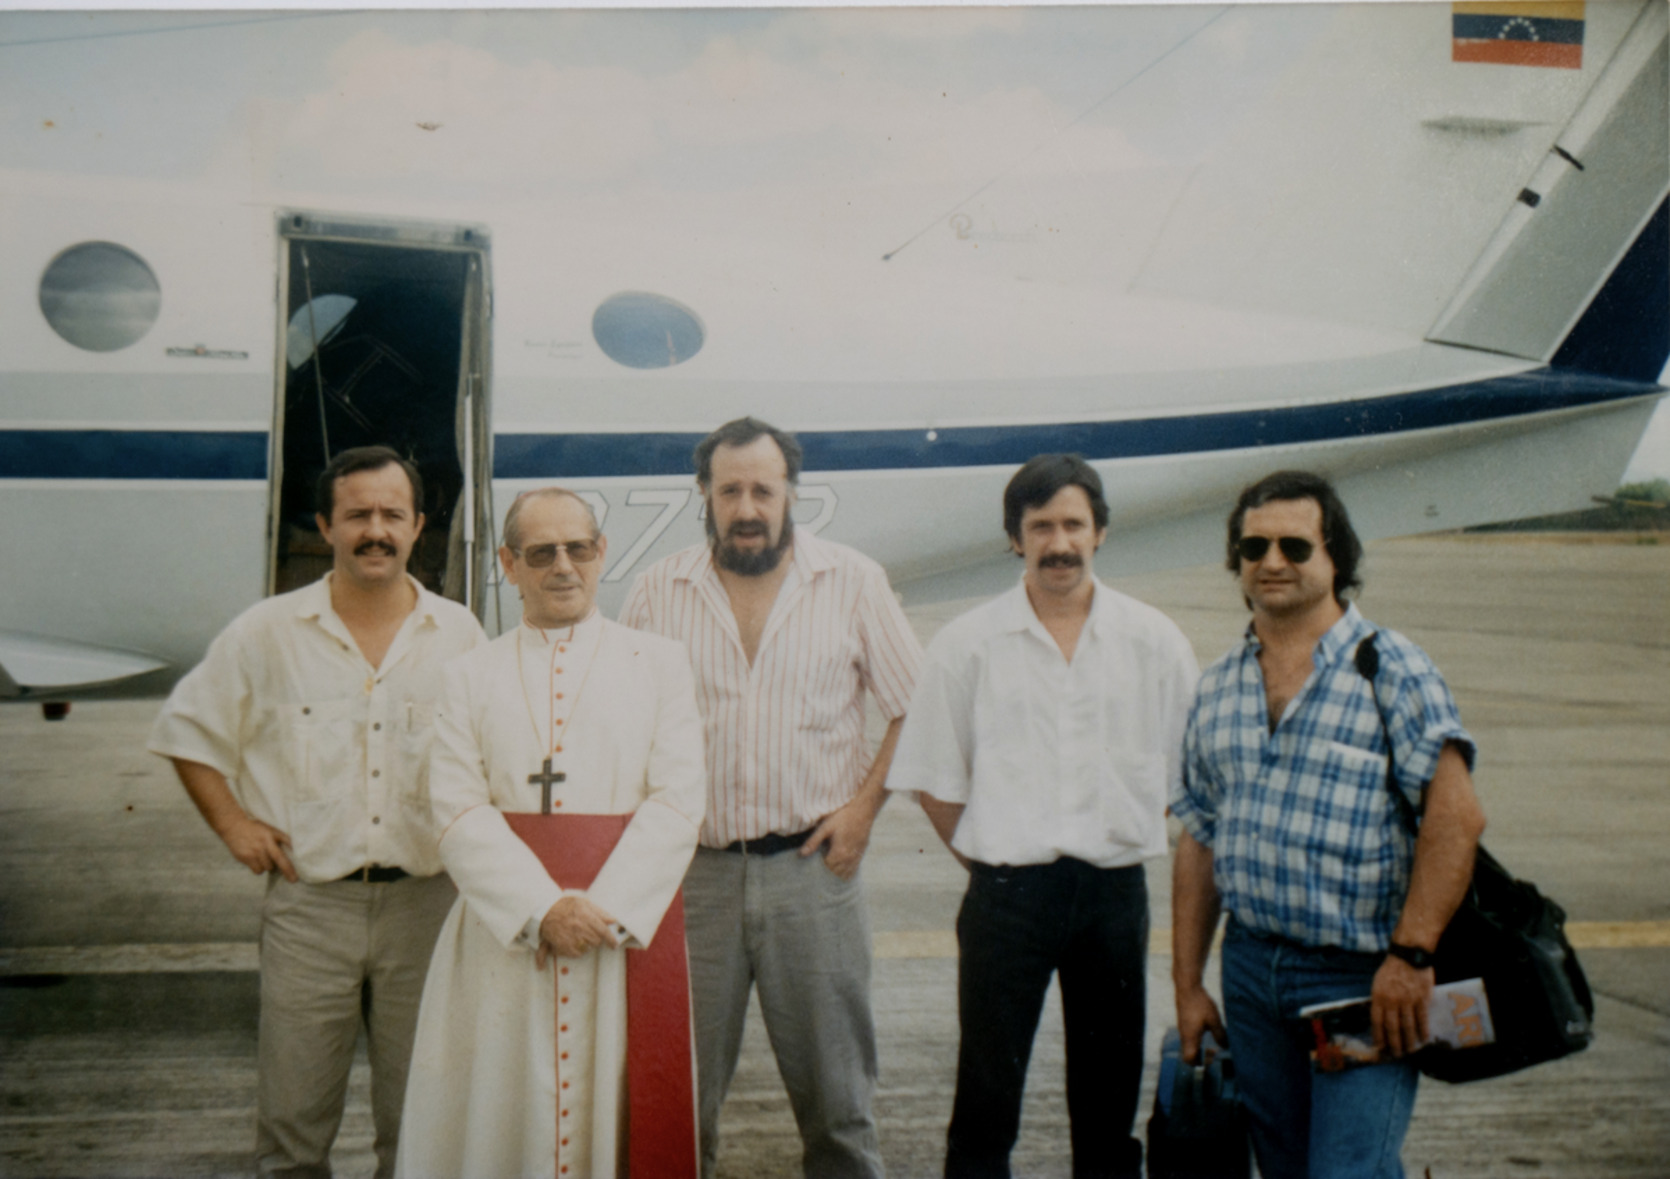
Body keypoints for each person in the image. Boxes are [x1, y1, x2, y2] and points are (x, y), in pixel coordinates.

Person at [147, 445, 487, 1179]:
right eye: (357, 514)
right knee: (292, 1130)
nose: (376, 530)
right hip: (310, 910)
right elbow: (188, 729)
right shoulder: (265, 631)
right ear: (325, 524)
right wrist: (234, 823)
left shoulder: (460, 636)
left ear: (419, 524)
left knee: (423, 1120)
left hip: (427, 910)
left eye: (392, 514)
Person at [620, 416, 923, 1179]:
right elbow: (619, 717)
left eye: (763, 488)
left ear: (791, 493)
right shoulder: (660, 589)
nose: (747, 506)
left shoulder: (854, 581)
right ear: (705, 495)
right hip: (694, 882)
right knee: (678, 1108)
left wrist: (861, 810)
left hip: (813, 876)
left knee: (840, 1109)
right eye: (730, 490)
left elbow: (917, 705)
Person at [886, 454, 1199, 1179]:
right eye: (1041, 526)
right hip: (1007, 898)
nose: (1059, 542)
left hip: (1113, 895)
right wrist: (994, 855)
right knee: (987, 1097)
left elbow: (1185, 770)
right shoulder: (967, 644)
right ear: (1014, 538)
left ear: (1101, 532)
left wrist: (1111, 824)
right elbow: (934, 777)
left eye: (1073, 524)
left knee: (1109, 1095)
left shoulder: (1154, 641)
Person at [1170, 470, 1488, 1179]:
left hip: (1361, 975)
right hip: (1252, 973)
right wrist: (1188, 983)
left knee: (1348, 1171)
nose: (1272, 560)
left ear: (1336, 556)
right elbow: (1198, 836)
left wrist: (1410, 958)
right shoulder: (1218, 685)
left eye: (1294, 544)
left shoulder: (1394, 669)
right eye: (1254, 545)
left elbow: (1456, 817)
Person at [395, 487, 707, 1178]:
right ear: (508, 562)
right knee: (498, 1114)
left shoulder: (658, 664)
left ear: (601, 554)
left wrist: (603, 910)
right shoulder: (468, 675)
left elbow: (679, 799)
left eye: (578, 548)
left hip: (620, 933)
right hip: (506, 935)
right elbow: (454, 807)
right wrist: (542, 910)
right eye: (541, 552)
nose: (562, 565)